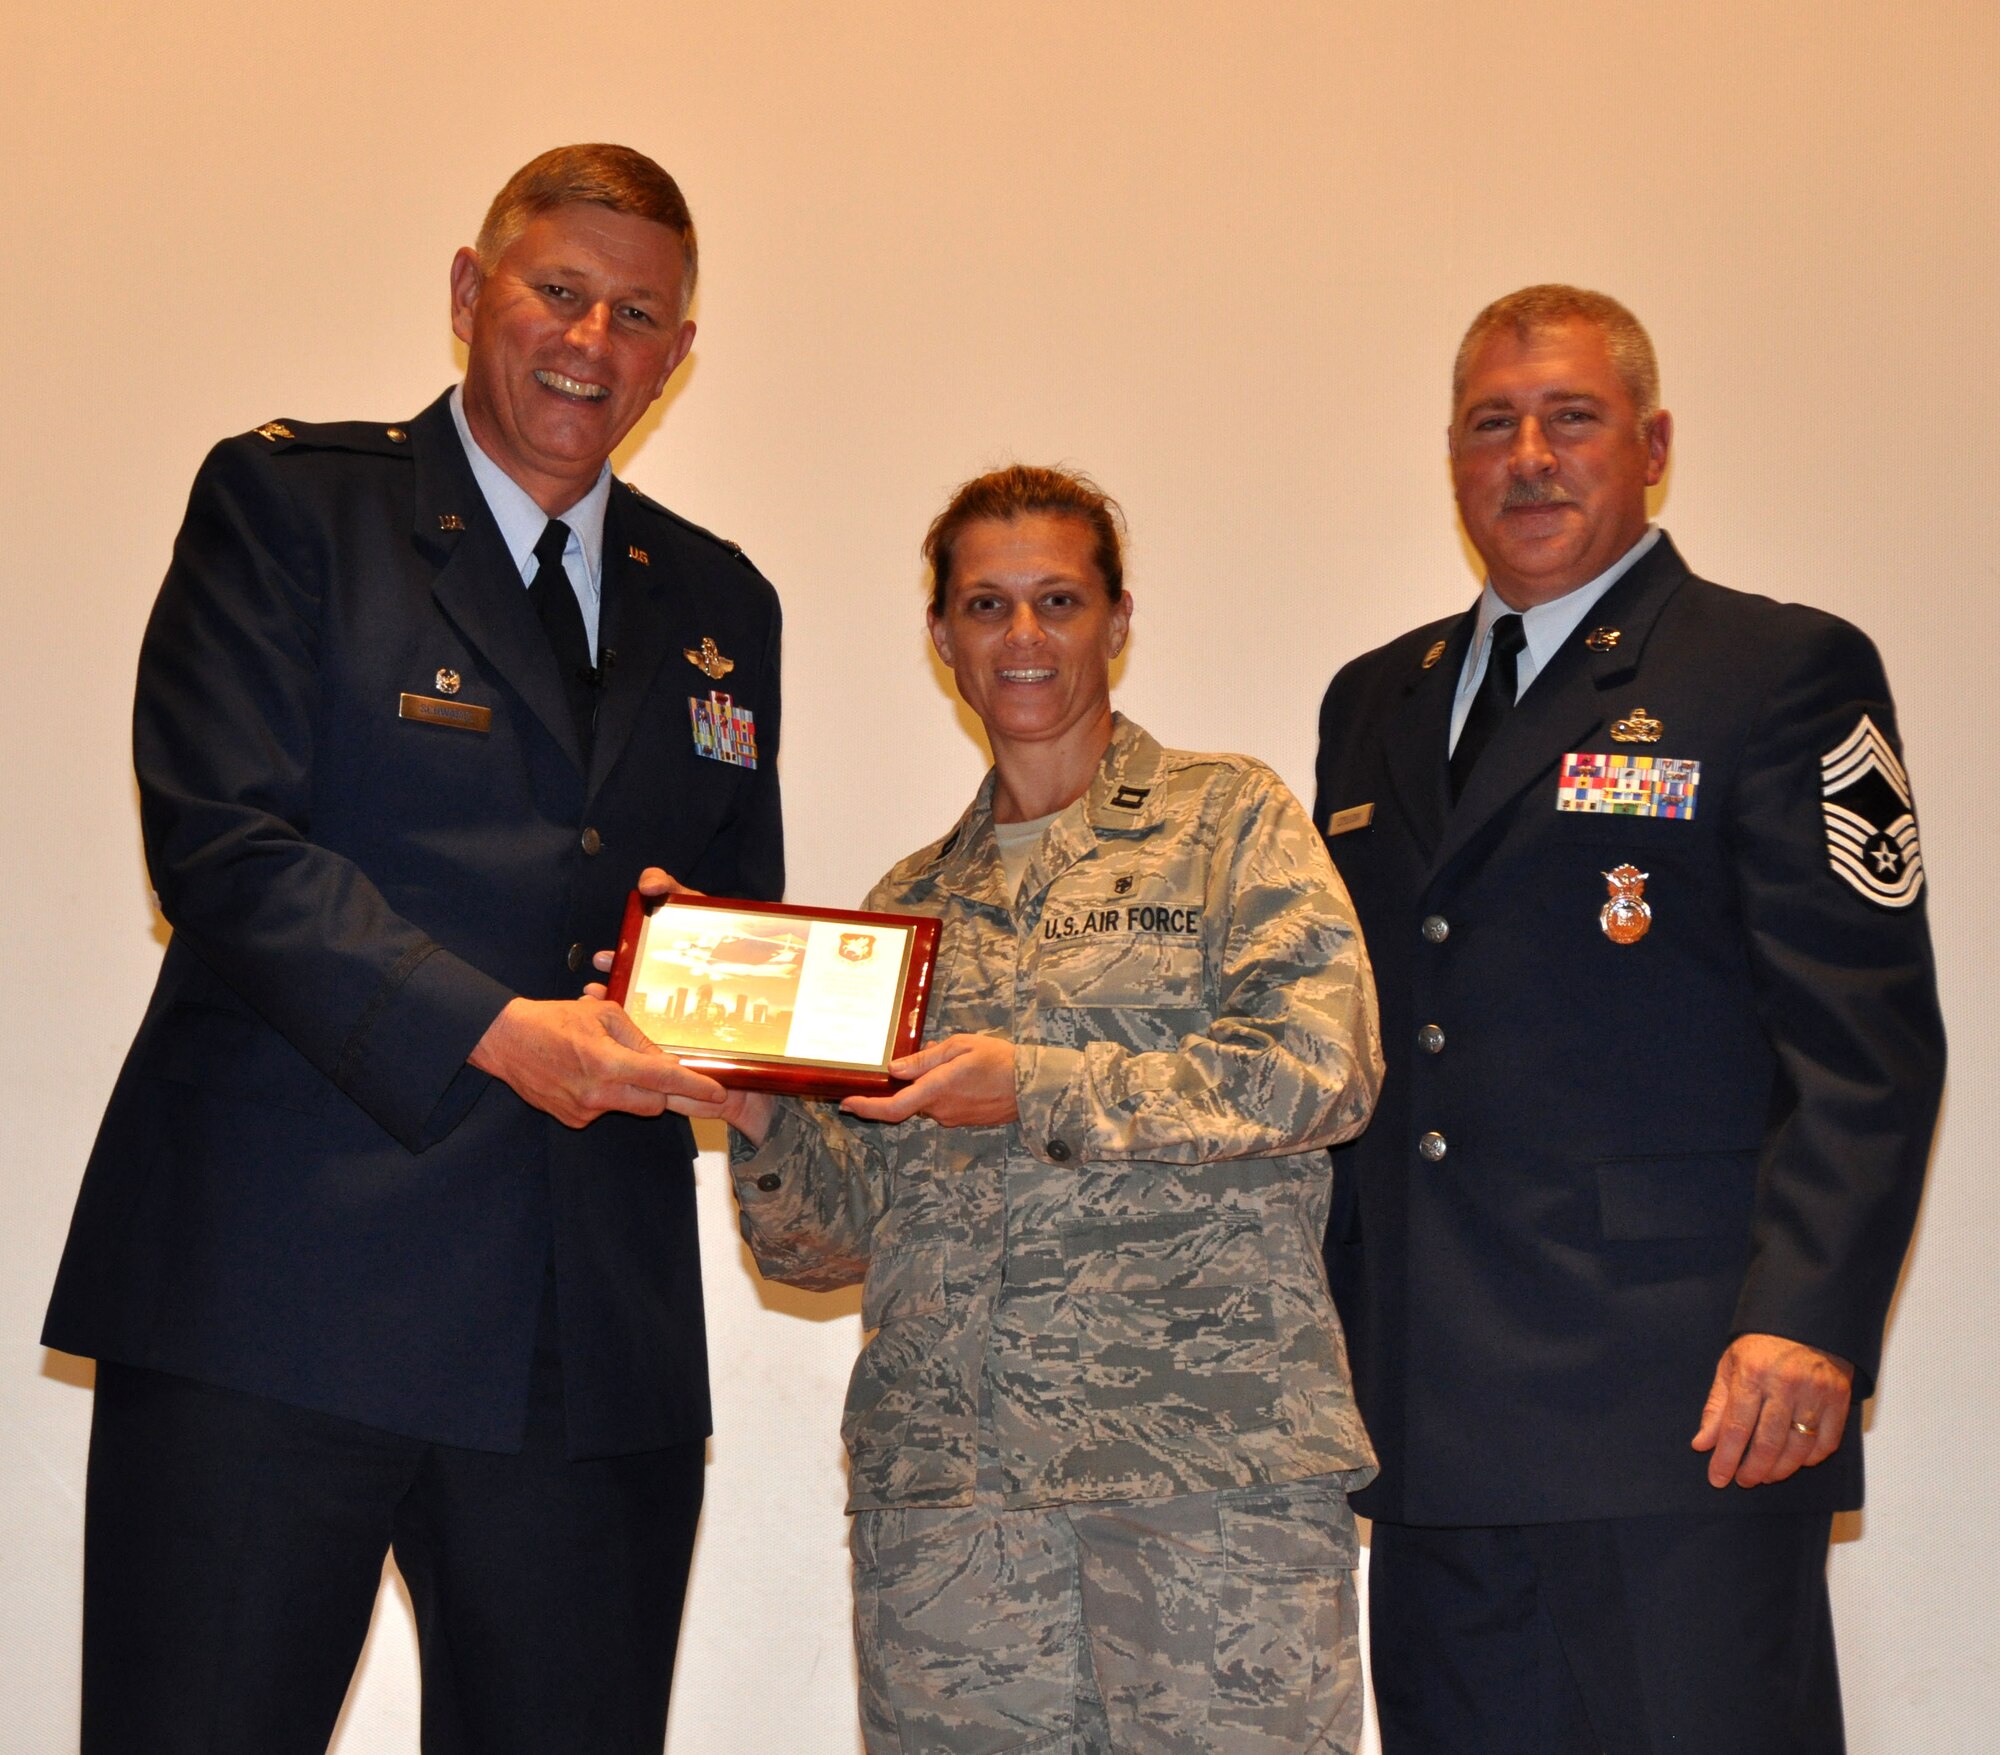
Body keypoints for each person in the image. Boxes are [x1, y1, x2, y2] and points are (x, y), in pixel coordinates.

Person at [43, 144, 782, 1754]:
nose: (593, 341)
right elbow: (225, 848)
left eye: (639, 313)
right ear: (471, 293)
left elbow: (729, 934)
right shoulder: (295, 505)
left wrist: (778, 1057)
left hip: (587, 1344)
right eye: (559, 292)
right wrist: (506, 1032)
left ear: (678, 354)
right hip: (281, 1294)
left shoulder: (723, 602)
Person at [656, 464, 1382, 1752]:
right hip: (952, 1517)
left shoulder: (1227, 823)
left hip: (1205, 1493)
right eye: (987, 606)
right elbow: (830, 1245)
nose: (1026, 637)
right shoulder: (900, 911)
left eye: (1060, 599)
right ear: (943, 638)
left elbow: (1324, 1065)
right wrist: (758, 1106)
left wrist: (1035, 1083)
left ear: (1117, 619)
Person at [1312, 284, 1945, 1753]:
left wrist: (1807, 1321)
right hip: (1429, 1419)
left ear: (1652, 446)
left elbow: (1867, 1047)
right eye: (1492, 424)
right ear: (1453, 459)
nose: (1529, 454)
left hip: (1684, 1413)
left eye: (1572, 418)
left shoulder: (1773, 670)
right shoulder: (1375, 702)